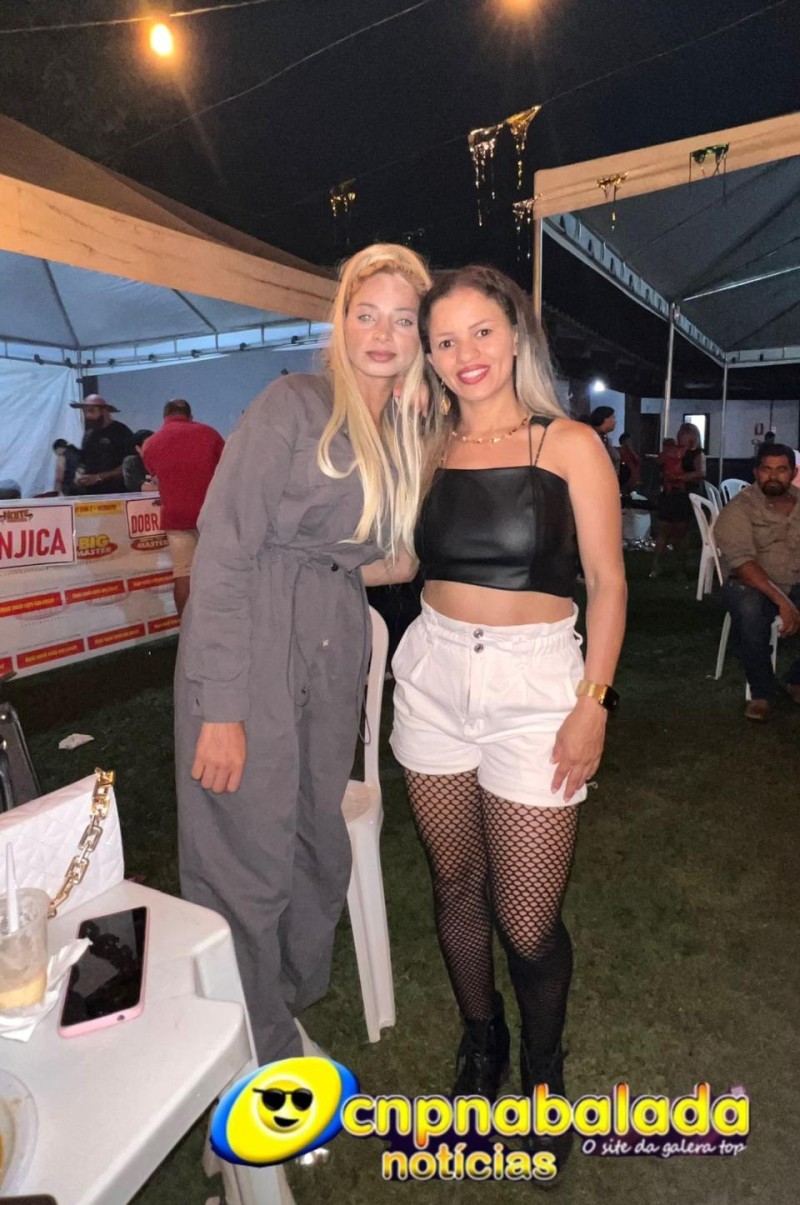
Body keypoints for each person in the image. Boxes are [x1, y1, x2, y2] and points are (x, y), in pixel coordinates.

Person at [390, 266, 626, 1177]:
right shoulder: (428, 447)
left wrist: (593, 703)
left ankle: (543, 1068)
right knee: (455, 885)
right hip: (434, 677)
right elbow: (400, 563)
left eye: (481, 332)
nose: (466, 354)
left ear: (516, 334)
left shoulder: (568, 443)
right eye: (445, 340)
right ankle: (481, 1038)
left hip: (537, 689)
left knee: (527, 921)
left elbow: (607, 582)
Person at [175, 244, 434, 1065]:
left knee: (315, 842)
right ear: (341, 322)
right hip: (255, 635)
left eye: (402, 319)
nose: (382, 334)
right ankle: (261, 1041)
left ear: (421, 335)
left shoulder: (403, 433)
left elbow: (388, 560)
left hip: (333, 637)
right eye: (367, 314)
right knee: (245, 849)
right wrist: (223, 705)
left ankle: (275, 999)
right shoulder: (293, 403)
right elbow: (224, 551)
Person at [714, 442, 800, 721]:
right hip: (750, 584)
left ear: (794, 472)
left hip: (794, 582)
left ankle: (795, 679)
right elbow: (743, 565)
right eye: (766, 469)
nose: (773, 476)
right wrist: (782, 602)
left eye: (781, 469)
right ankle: (761, 692)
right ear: (756, 472)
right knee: (750, 608)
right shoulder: (740, 508)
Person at [142, 402, 225, 617]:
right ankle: (219, 625)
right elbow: (227, 470)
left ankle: (187, 630)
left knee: (183, 574)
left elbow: (156, 477)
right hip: (210, 516)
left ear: (165, 417)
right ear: (190, 415)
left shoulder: (152, 442)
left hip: (176, 518)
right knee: (218, 572)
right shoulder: (210, 434)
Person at [650, 422, 705, 577]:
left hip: (685, 495)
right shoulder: (672, 451)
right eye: (681, 434)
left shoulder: (696, 454)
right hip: (670, 494)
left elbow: (701, 472)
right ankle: (656, 564)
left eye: (685, 434)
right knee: (664, 530)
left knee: (681, 533)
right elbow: (659, 463)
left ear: (693, 436)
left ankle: (678, 567)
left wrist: (679, 477)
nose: (681, 437)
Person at [70, 396, 136, 494]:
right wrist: (79, 475)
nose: (87, 416)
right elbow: (83, 461)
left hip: (117, 492)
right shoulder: (89, 435)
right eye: (85, 412)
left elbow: (130, 464)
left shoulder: (121, 432)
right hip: (92, 493)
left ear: (104, 411)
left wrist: (100, 477)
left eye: (91, 411)